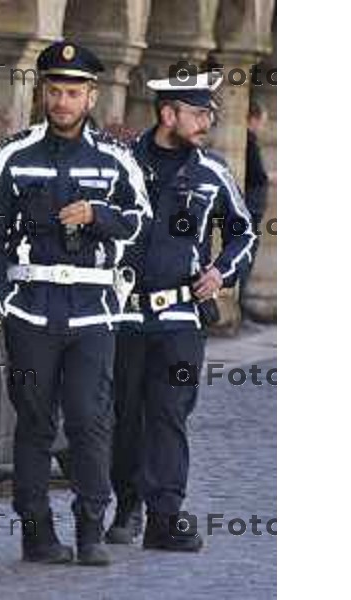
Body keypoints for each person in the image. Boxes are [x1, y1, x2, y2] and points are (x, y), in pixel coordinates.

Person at [0, 40, 151, 566]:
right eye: (54, 90)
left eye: (73, 92)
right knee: (33, 425)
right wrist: (0, 305)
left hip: (93, 314)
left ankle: (92, 531)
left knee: (90, 421)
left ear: (91, 96)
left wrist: (98, 214)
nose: (62, 101)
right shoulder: (14, 154)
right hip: (30, 313)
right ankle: (38, 536)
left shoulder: (115, 160)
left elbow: (141, 223)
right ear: (42, 92)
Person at [105, 72, 257, 551]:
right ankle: (127, 505)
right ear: (168, 113)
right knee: (124, 418)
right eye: (198, 113)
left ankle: (164, 517)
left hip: (180, 321)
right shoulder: (119, 165)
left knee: (169, 415)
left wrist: (222, 272)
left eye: (210, 115)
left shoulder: (211, 171)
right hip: (124, 317)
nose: (206, 124)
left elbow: (243, 232)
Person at [240, 98, 270, 304]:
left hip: (253, 210)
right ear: (253, 119)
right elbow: (255, 175)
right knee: (244, 258)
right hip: (248, 209)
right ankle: (237, 305)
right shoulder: (247, 141)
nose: (263, 126)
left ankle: (240, 305)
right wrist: (271, 177)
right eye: (262, 121)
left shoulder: (250, 141)